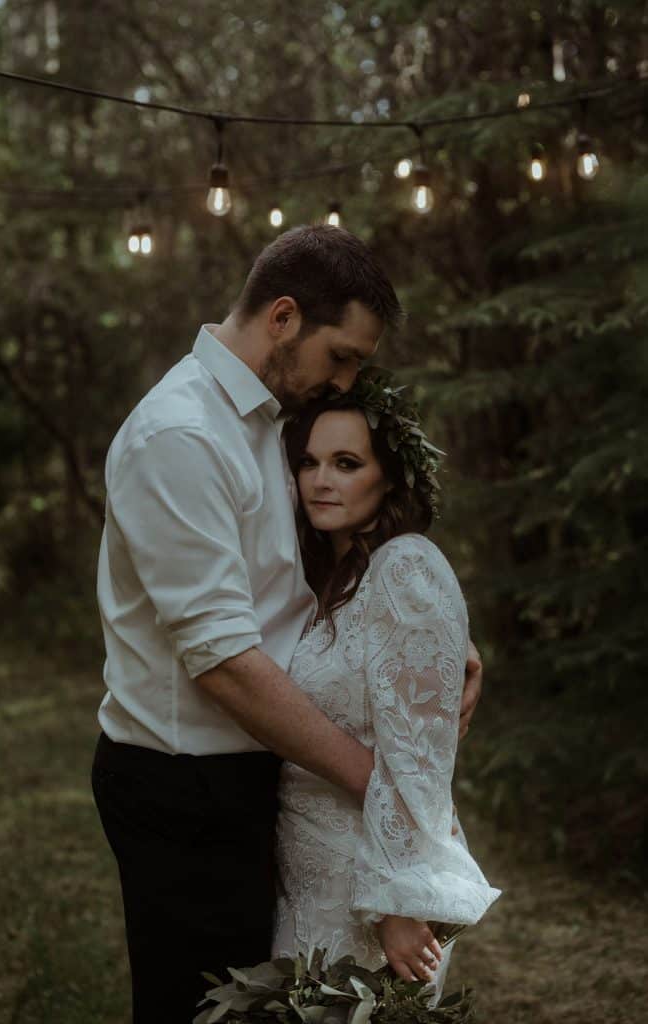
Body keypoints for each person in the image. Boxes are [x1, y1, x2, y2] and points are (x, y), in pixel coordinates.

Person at [91, 225, 483, 1024]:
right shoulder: (182, 436)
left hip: (263, 771)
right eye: (340, 356)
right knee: (197, 1009)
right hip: (184, 784)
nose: (345, 381)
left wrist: (436, 637)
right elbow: (226, 663)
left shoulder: (276, 419)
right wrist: (385, 787)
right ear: (282, 317)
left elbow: (307, 576)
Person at [271, 378, 500, 1002]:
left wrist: (397, 900)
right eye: (309, 463)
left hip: (369, 883)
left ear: (391, 480)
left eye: (347, 463)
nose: (321, 481)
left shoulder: (405, 567)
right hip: (308, 870)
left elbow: (419, 758)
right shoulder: (328, 580)